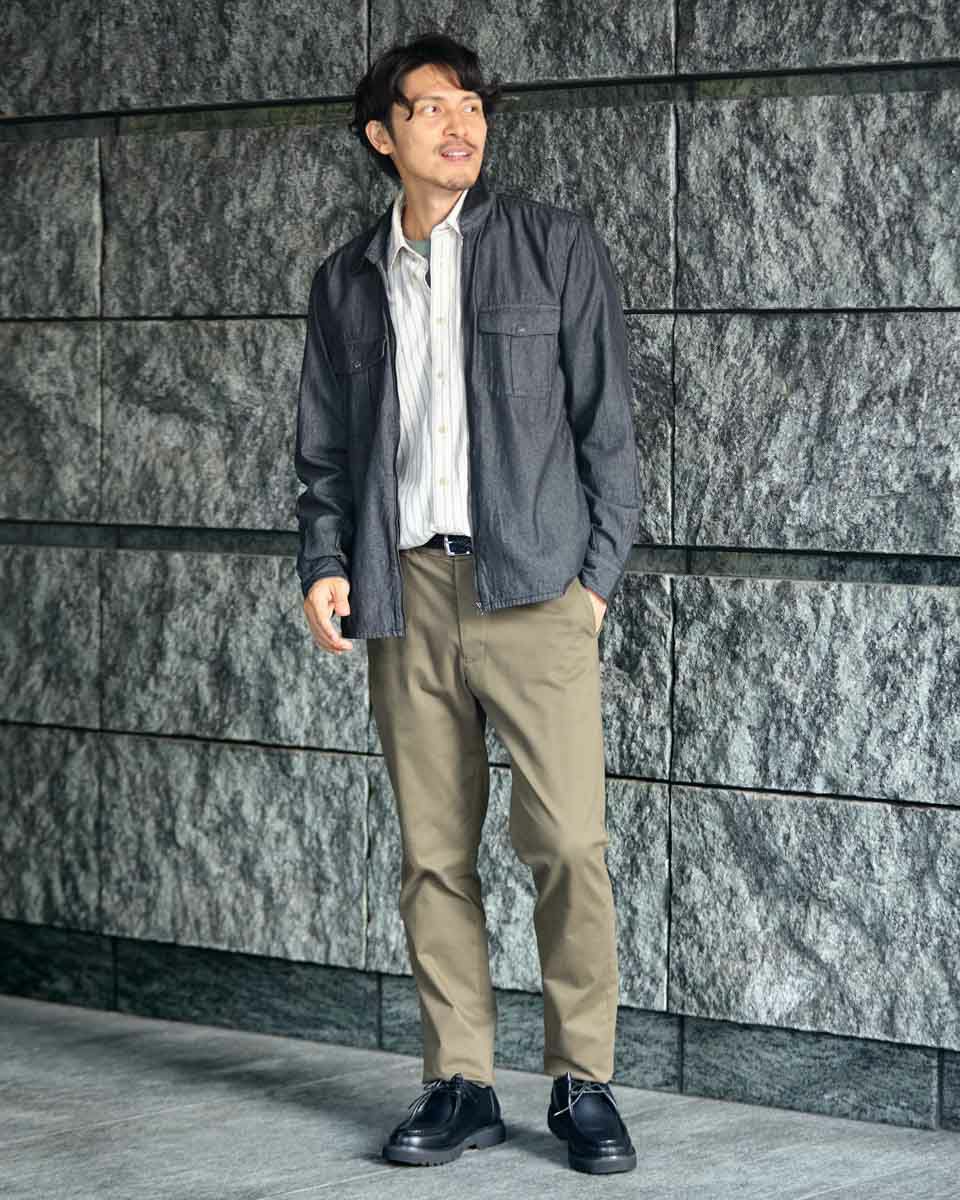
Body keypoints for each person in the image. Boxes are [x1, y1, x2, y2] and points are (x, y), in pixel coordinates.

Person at [293, 31, 641, 1176]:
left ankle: (583, 1082)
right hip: (406, 590)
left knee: (568, 843)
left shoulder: (554, 246)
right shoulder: (347, 281)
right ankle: (461, 1082)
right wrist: (324, 559)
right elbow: (327, 454)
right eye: (432, 106)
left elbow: (607, 430)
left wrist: (592, 586)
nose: (461, 125)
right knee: (434, 853)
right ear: (381, 136)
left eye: (474, 105)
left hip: (535, 590)